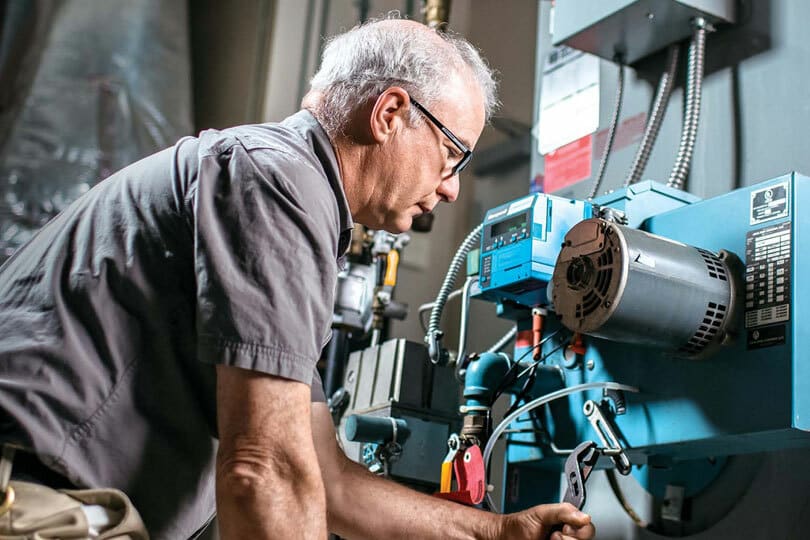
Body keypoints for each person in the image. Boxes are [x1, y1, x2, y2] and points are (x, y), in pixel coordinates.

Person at [0, 15, 596, 540]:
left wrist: (496, 532)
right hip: (35, 504)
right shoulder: (279, 184)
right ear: (390, 114)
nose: (451, 187)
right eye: (452, 155)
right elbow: (264, 471)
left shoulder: (272, 187)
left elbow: (327, 482)